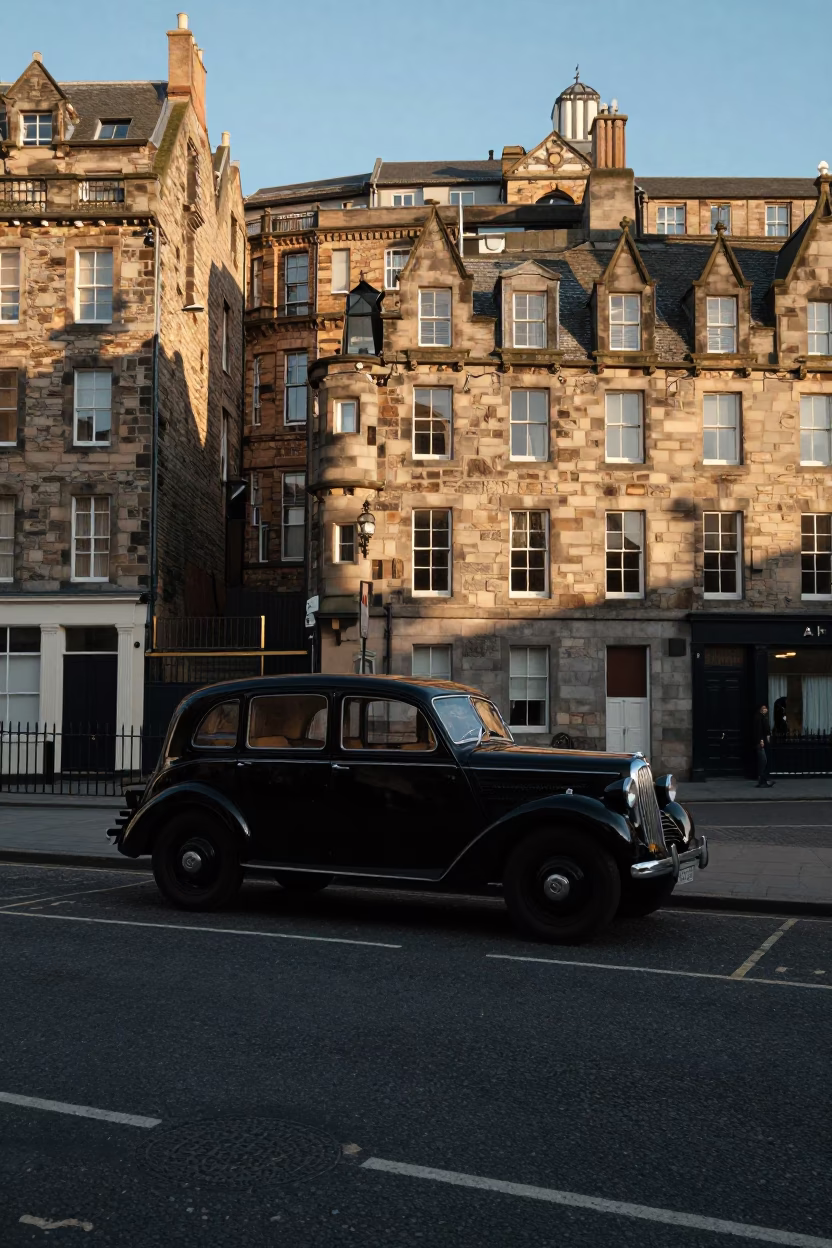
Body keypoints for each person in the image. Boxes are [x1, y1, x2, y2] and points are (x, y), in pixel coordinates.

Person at [753, 703, 774, 787]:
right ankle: (762, 780)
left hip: (763, 742)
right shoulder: (758, 717)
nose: (765, 710)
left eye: (766, 708)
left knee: (763, 761)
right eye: (763, 708)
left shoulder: (763, 717)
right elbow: (758, 730)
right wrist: (761, 740)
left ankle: (763, 780)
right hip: (760, 742)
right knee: (763, 761)